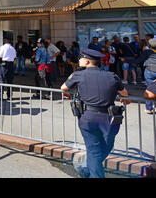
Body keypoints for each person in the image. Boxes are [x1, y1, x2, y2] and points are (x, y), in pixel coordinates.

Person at [61, 48, 129, 178]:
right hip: (110, 118)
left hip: (88, 117)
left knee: (94, 152)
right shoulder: (112, 76)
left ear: (86, 61)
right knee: (106, 146)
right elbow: (125, 93)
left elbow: (63, 87)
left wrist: (73, 76)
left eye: (80, 59)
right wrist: (124, 98)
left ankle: (87, 169)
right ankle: (88, 169)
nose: (78, 60)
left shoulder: (78, 75)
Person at [131, 38, 156, 114]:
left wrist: (133, 63)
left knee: (149, 89)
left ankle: (149, 108)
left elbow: (139, 60)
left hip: (149, 71)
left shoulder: (147, 52)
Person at [0, 36, 17, 100]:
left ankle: (0, 96)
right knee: (10, 81)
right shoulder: (13, 48)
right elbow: (15, 58)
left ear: (5, 40)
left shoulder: (2, 47)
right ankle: (9, 96)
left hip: (3, 64)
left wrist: (0, 61)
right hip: (10, 65)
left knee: (1, 80)